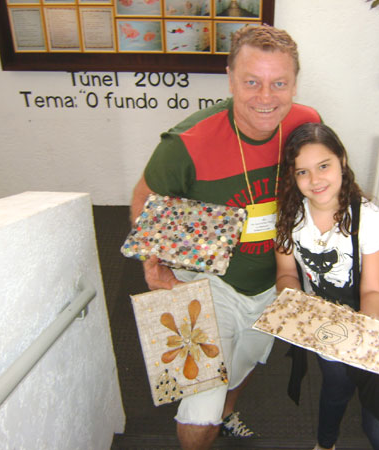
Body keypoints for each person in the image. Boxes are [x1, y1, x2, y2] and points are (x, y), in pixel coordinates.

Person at [130, 25, 321, 450]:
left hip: (275, 279)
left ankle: (229, 413)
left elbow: (327, 185)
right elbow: (144, 199)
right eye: (251, 82)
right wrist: (153, 263)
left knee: (243, 364)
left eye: (279, 83)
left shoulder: (306, 124)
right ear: (231, 78)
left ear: (294, 84)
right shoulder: (186, 142)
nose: (265, 97)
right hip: (206, 280)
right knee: (200, 411)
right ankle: (210, 420)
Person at [275, 123, 379, 450]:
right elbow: (286, 273)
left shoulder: (369, 220)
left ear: (342, 162)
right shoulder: (290, 217)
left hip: (376, 320)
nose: (315, 180)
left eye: (324, 166)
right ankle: (325, 444)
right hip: (327, 321)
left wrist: (360, 341)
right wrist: (296, 305)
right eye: (303, 172)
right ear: (293, 176)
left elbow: (374, 292)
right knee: (334, 390)